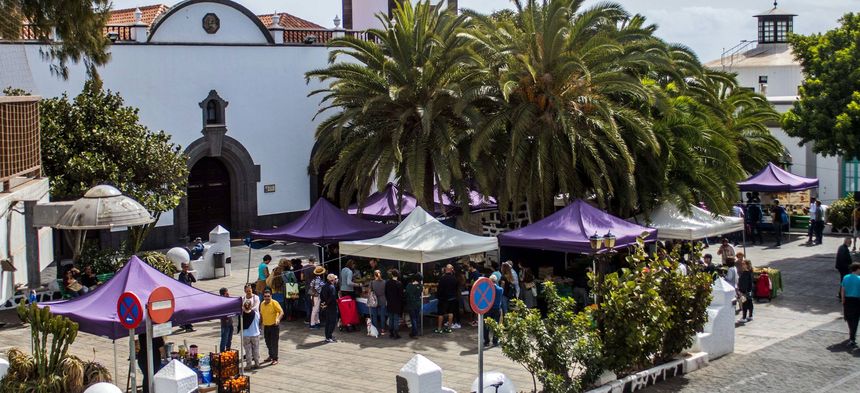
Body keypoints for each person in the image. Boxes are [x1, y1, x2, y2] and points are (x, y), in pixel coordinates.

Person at [259, 289, 283, 365]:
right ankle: (271, 355)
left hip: (274, 326)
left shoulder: (274, 303)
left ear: (271, 296)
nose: (267, 298)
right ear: (263, 297)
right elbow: (261, 315)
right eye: (265, 296)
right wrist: (260, 324)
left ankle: (275, 358)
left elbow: (281, 312)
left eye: (268, 296)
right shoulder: (262, 304)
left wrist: (278, 319)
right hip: (266, 326)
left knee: (274, 343)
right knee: (267, 342)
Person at [840, 263, 860, 347]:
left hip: (847, 300)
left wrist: (843, 300)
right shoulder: (859, 279)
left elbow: (842, 290)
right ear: (857, 269)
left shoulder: (846, 277)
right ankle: (852, 338)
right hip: (857, 301)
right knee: (855, 319)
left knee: (849, 318)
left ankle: (851, 333)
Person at [482, 275, 504, 348]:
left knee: (486, 325)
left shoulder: (487, 289)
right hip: (497, 309)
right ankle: (495, 341)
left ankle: (486, 341)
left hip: (488, 309)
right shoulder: (500, 289)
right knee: (496, 325)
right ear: (496, 281)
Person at [435, 264, 458, 334]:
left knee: (440, 313)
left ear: (446, 269)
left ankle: (439, 329)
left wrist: (438, 296)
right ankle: (449, 328)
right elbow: (456, 288)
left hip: (443, 298)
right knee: (450, 313)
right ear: (451, 270)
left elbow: (439, 289)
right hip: (452, 298)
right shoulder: (454, 278)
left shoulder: (442, 278)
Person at [240, 300, 261, 369]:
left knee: (248, 351)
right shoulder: (256, 313)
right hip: (255, 333)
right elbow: (258, 321)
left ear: (244, 306)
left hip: (246, 335)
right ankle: (257, 363)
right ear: (251, 306)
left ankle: (248, 365)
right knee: (256, 349)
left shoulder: (242, 314)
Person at [385, 269, 405, 339]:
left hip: (390, 303)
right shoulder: (399, 283)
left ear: (392, 275)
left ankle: (391, 333)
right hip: (397, 304)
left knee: (391, 318)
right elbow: (401, 295)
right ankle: (396, 334)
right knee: (396, 319)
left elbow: (386, 293)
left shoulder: (388, 283)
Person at [320, 273, 340, 343]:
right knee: (332, 322)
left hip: (326, 306)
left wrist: (324, 304)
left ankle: (328, 336)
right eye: (335, 279)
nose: (336, 280)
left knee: (328, 322)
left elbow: (321, 296)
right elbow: (332, 297)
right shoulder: (332, 287)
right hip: (332, 306)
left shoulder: (324, 286)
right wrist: (327, 303)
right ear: (332, 279)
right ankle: (329, 337)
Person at [178, 263, 196, 332]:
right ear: (182, 267)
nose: (186, 268)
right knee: (187, 311)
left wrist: (190, 274)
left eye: (187, 266)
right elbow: (185, 285)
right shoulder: (181, 276)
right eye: (185, 267)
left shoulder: (188, 274)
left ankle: (184, 324)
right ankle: (188, 326)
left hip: (189, 294)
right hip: (185, 295)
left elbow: (194, 280)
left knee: (189, 310)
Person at [369, 270, 388, 335]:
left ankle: (375, 330)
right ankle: (383, 329)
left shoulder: (372, 282)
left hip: (374, 300)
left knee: (374, 315)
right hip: (383, 299)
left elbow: (369, 292)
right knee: (382, 315)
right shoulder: (384, 282)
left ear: (374, 275)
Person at [405, 274, 423, 338]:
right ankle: (413, 332)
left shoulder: (409, 286)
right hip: (418, 304)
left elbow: (406, 294)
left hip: (411, 304)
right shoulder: (420, 286)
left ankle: (415, 333)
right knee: (416, 318)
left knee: (413, 319)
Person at [219, 288, 233, 352]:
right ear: (223, 294)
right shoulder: (221, 302)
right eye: (226, 293)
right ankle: (222, 351)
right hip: (225, 324)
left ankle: (228, 350)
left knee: (229, 339)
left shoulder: (228, 300)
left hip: (230, 323)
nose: (228, 294)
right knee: (224, 339)